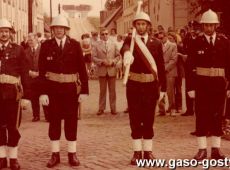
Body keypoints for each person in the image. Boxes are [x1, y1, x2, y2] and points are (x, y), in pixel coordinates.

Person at [38, 15, 89, 168]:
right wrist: (43, 93)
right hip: (52, 90)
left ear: (66, 29)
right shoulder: (46, 45)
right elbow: (42, 71)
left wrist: (84, 91)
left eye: (62, 28)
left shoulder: (75, 45)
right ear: (52, 29)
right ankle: (55, 154)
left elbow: (82, 69)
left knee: (71, 122)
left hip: (70, 91)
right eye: (56, 28)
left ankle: (72, 154)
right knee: (53, 122)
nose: (59, 30)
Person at [120, 12, 166, 165]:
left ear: (148, 26)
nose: (141, 26)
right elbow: (125, 47)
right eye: (138, 24)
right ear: (135, 26)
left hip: (150, 86)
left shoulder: (156, 43)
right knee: (135, 119)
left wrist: (163, 88)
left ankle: (148, 152)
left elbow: (160, 66)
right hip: (134, 86)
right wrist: (127, 53)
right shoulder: (130, 40)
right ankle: (137, 152)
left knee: (148, 119)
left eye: (143, 24)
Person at [187, 9, 230, 161]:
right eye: (206, 25)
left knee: (218, 117)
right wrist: (190, 88)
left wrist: (229, 86)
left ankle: (216, 150)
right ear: (202, 26)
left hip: (219, 85)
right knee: (202, 116)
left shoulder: (224, 41)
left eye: (212, 25)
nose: (209, 28)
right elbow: (189, 66)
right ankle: (202, 150)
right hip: (202, 85)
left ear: (216, 26)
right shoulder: (195, 41)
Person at [0, 18, 30, 170]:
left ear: (11, 33)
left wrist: (26, 97)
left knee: (13, 126)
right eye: (1, 31)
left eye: (6, 31)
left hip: (13, 94)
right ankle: (1, 157)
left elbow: (24, 74)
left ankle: (13, 158)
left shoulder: (18, 50)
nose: (3, 34)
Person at [92, 28, 120, 115]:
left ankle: (113, 108)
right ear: (100, 35)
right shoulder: (96, 45)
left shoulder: (114, 44)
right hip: (102, 70)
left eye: (106, 34)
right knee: (102, 91)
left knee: (112, 91)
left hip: (111, 70)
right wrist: (101, 61)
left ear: (108, 34)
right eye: (103, 34)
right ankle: (101, 108)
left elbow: (118, 56)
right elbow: (93, 57)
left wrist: (113, 62)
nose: (105, 35)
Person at [25, 33, 49, 122]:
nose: (29, 42)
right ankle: (36, 116)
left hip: (42, 78)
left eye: (31, 40)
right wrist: (29, 72)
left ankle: (48, 115)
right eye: (28, 40)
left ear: (36, 39)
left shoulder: (43, 49)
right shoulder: (26, 51)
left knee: (44, 96)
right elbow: (24, 65)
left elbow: (47, 63)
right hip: (32, 79)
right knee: (33, 98)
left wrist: (40, 73)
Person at [157, 31, 178, 116]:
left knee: (170, 91)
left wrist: (165, 69)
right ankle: (162, 109)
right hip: (160, 71)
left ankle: (172, 108)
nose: (160, 40)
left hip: (170, 71)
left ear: (165, 37)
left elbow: (174, 59)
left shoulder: (173, 45)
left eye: (162, 38)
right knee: (159, 90)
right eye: (159, 38)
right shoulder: (158, 45)